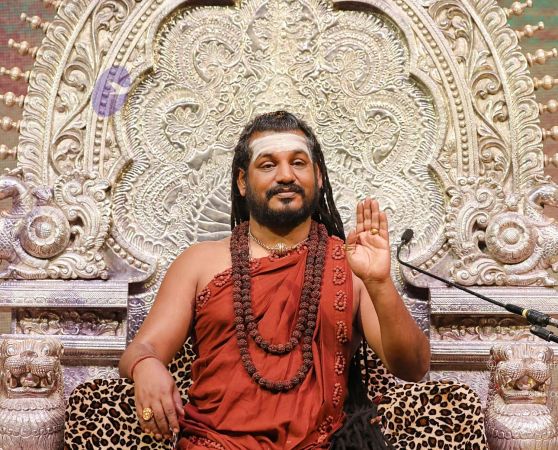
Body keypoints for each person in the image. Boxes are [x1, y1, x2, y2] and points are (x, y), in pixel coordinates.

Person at [119, 111, 430, 449]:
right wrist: (145, 366)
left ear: (318, 176)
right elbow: (145, 347)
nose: (285, 175)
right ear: (242, 182)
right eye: (268, 165)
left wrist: (380, 283)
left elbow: (413, 367)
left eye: (298, 163)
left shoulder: (351, 266)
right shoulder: (198, 263)